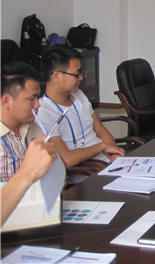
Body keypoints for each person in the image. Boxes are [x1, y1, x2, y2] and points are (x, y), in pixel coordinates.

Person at [36, 46, 124, 170]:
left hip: (107, 163)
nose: (81, 78)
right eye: (76, 74)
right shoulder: (44, 111)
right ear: (57, 76)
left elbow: (100, 130)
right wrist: (102, 146)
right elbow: (68, 160)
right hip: (88, 171)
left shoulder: (79, 95)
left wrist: (114, 153)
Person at [1, 62, 58, 226]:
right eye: (31, 98)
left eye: (38, 97)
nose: (37, 104)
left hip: (40, 213)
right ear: (6, 101)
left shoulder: (32, 126)